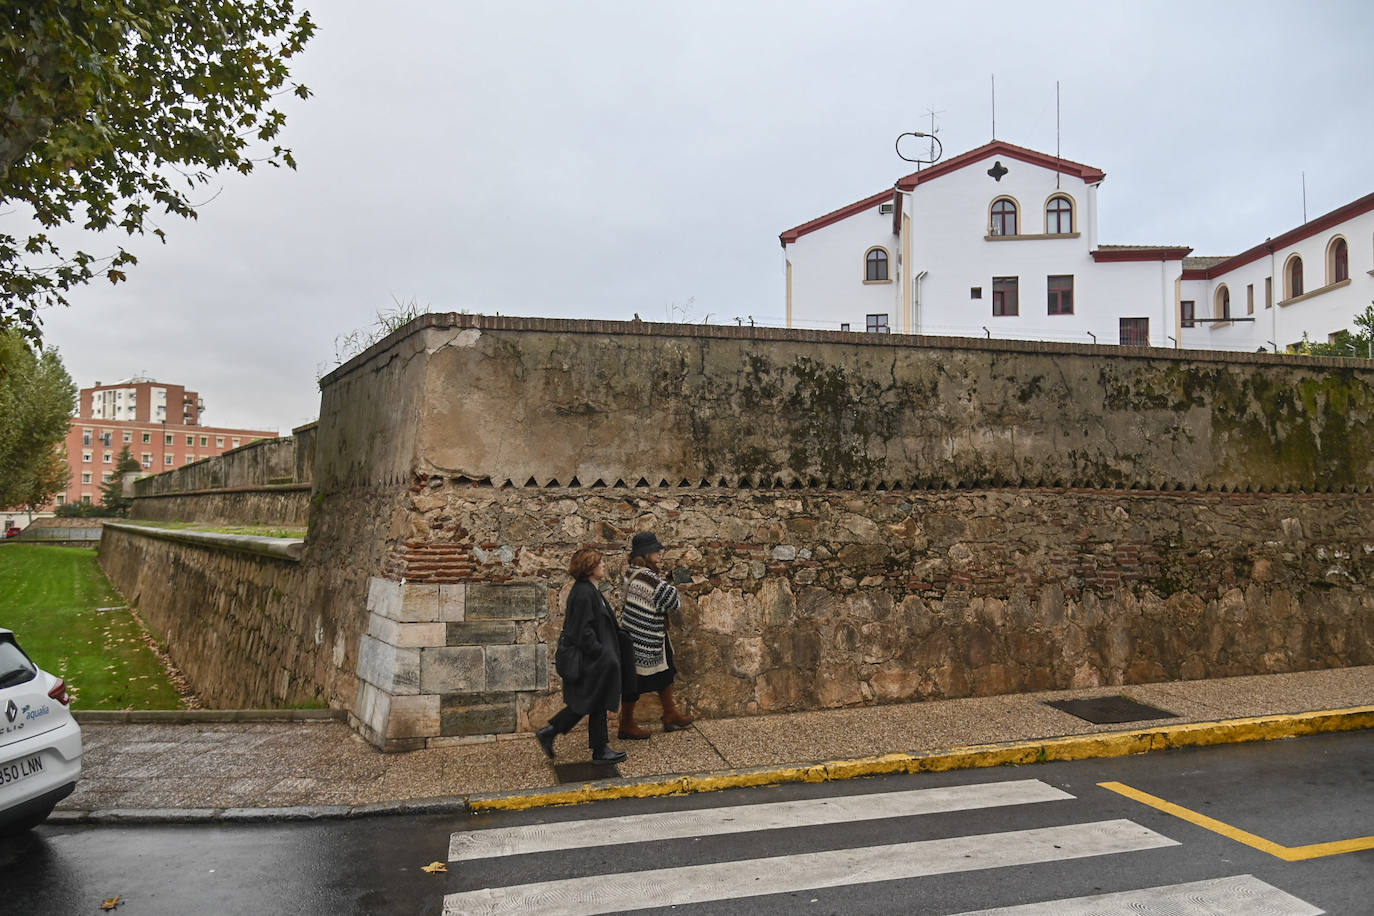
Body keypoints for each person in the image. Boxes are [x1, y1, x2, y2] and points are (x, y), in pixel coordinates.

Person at [535, 547, 628, 764]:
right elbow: (582, 631)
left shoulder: (588, 589)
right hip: (592, 660)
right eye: (599, 563)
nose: (603, 565)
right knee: (591, 702)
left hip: (595, 659)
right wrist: (601, 653)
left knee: (593, 702)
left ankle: (597, 748)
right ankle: (589, 746)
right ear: (589, 568)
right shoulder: (584, 593)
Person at [617, 531, 694, 739]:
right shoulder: (647, 577)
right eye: (656, 549)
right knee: (635, 681)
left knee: (665, 672)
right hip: (646, 637)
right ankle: (626, 724)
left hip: (641, 634)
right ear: (646, 552)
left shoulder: (632, 572)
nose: (660, 552)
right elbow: (672, 599)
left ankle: (670, 713)